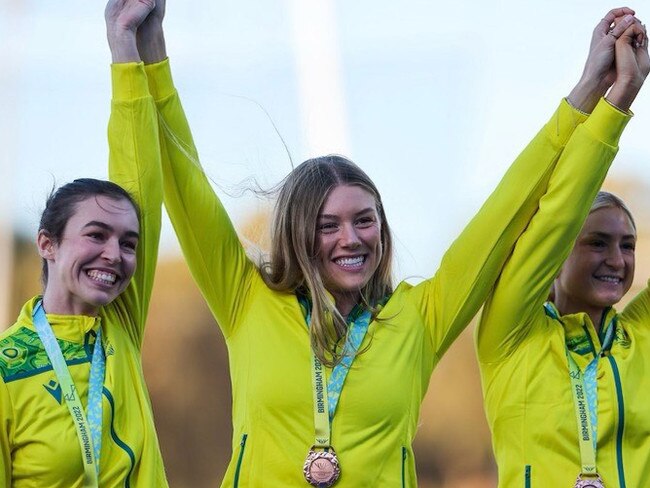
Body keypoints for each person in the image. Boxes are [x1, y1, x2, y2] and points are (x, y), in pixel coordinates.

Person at [110, 0, 640, 485]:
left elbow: (511, 208)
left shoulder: (419, 318)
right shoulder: (246, 299)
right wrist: (145, 55)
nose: (352, 238)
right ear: (297, 234)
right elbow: (185, 183)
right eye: (328, 225)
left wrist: (595, 98)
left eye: (365, 220)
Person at [476, 15, 649, 488]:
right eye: (597, 242)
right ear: (560, 253)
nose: (617, 259)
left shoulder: (642, 336)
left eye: (627, 245)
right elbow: (556, 215)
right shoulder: (510, 334)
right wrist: (613, 98)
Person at [0, 3, 170, 486]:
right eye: (96, 235)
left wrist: (127, 45)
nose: (114, 255)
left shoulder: (120, 322)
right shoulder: (4, 368)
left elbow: (139, 170)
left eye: (129, 243)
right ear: (47, 244)